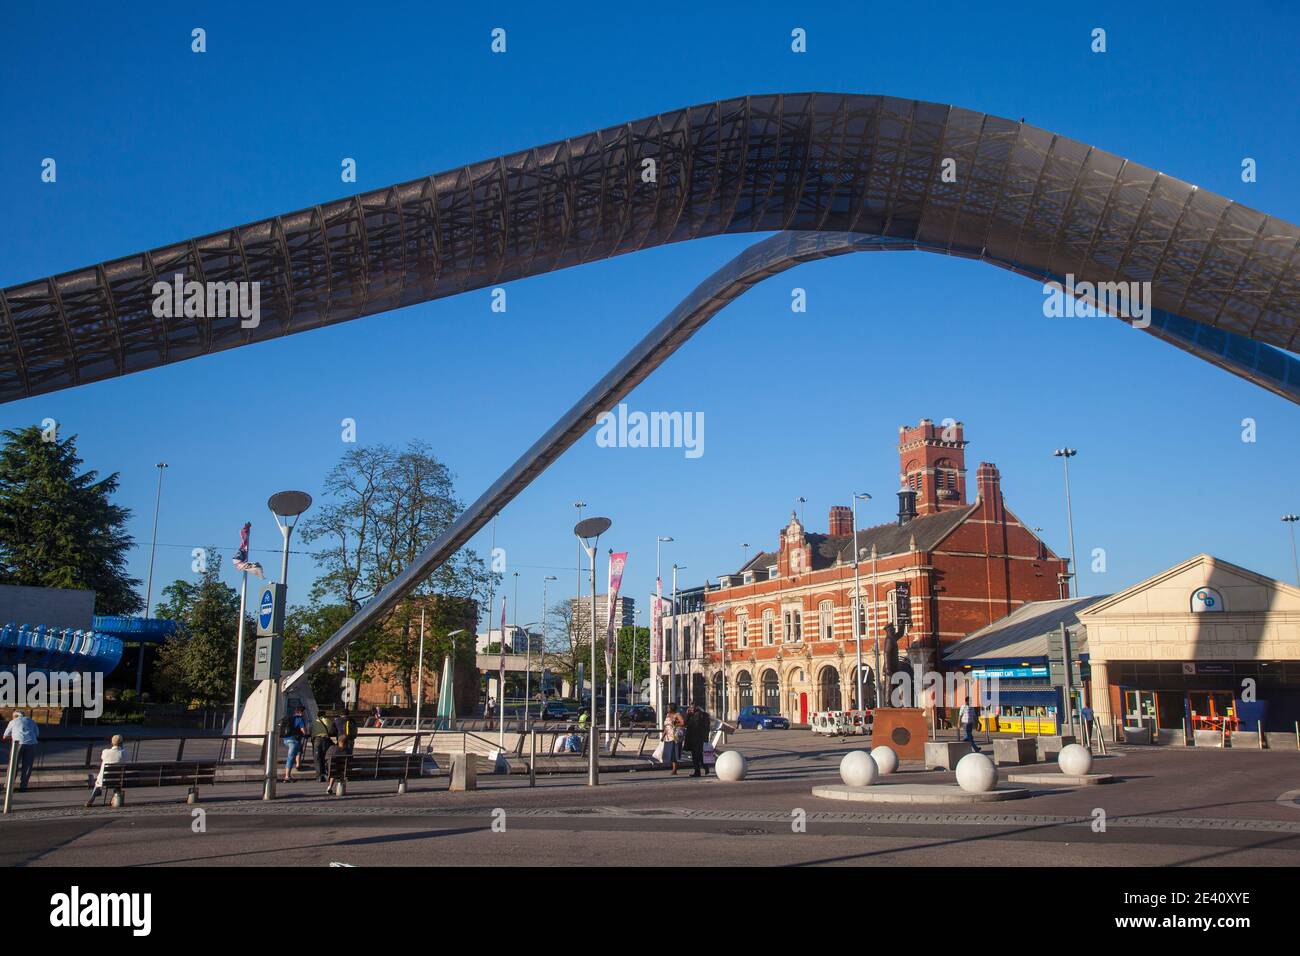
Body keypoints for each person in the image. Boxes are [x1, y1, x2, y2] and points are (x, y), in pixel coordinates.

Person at [84, 734, 126, 807]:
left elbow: (103, 758)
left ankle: (91, 799)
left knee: (98, 782)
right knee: (117, 778)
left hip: (104, 780)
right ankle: (114, 799)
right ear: (122, 743)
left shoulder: (105, 751)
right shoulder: (124, 753)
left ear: (112, 743)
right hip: (118, 780)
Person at [2, 709, 39, 791]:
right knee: (27, 766)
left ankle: (8, 786)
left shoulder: (13, 722)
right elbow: (37, 734)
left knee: (13, 765)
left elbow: (5, 736)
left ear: (15, 716)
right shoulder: (31, 721)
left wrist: (14, 735)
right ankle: (23, 787)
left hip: (17, 744)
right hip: (32, 744)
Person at [279, 706, 308, 783]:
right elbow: (303, 730)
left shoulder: (289, 718)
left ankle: (298, 764)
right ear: (301, 712)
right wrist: (306, 734)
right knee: (290, 757)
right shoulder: (300, 719)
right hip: (293, 740)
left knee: (298, 749)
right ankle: (287, 776)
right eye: (303, 712)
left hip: (285, 739)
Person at [685, 702, 712, 777]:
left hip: (696, 738)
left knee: (696, 755)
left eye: (692, 708)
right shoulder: (701, 715)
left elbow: (687, 724)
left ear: (696, 708)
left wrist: (688, 715)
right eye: (690, 708)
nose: (691, 709)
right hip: (699, 738)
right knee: (699, 755)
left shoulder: (697, 715)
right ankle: (704, 767)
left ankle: (698, 771)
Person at [310, 711, 336, 782]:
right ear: (324, 715)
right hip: (326, 740)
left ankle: (319, 776)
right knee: (325, 757)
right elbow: (332, 731)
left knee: (317, 758)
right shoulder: (329, 721)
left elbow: (311, 731)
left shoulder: (314, 722)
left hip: (317, 741)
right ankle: (326, 774)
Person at [661, 704, 685, 775]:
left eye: (668, 707)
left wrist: (676, 724)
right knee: (669, 753)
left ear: (672, 708)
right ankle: (673, 768)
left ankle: (674, 769)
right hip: (668, 736)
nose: (667, 709)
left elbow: (682, 722)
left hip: (675, 736)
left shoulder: (677, 715)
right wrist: (663, 735)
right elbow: (666, 726)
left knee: (674, 753)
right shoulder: (667, 715)